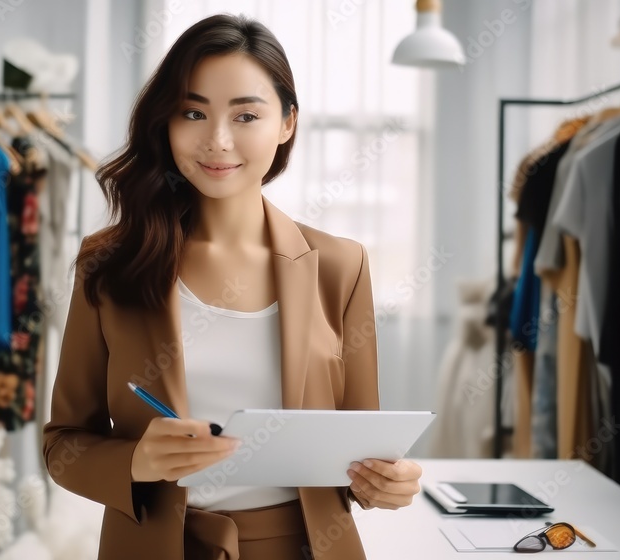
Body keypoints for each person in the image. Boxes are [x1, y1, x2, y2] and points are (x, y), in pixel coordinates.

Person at [42, 13, 422, 559]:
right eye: (193, 112)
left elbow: (358, 455)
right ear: (165, 124)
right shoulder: (109, 263)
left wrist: (385, 481)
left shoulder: (342, 267)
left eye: (246, 115)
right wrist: (135, 462)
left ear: (288, 122)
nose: (217, 141)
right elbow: (63, 445)